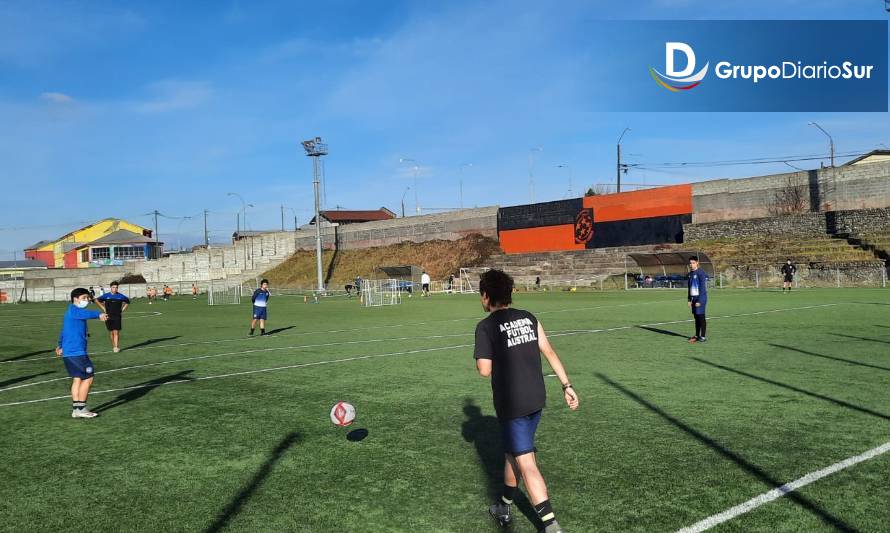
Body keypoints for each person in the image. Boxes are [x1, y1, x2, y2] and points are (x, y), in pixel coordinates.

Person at [473, 269, 578, 533]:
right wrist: (567, 385)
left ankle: (551, 525)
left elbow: (484, 370)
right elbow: (549, 351)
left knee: (527, 462)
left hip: (513, 403)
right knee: (514, 455)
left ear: (486, 296)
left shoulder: (485, 327)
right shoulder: (528, 317)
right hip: (536, 399)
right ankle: (504, 505)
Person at [57, 287, 108, 418]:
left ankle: (76, 409)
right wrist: (99, 314)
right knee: (88, 377)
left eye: (87, 298)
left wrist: (60, 345)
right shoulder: (75, 310)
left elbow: (64, 330)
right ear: (75, 299)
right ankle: (81, 408)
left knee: (77, 379)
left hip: (70, 352)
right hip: (76, 352)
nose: (86, 300)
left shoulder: (70, 312)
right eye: (84, 298)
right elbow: (85, 314)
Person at [95, 281, 130, 353]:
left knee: (116, 332)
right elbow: (97, 300)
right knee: (111, 332)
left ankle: (116, 347)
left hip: (117, 316)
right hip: (108, 316)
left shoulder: (121, 296)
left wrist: (122, 309)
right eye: (113, 287)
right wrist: (103, 308)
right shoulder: (106, 296)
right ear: (110, 288)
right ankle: (113, 346)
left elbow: (127, 302)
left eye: (116, 287)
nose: (115, 289)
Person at [687, 256, 709, 343]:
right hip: (693, 298)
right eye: (690, 263)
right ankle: (697, 335)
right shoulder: (690, 274)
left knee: (701, 317)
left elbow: (703, 288)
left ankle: (703, 336)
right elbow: (689, 288)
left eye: (693, 263)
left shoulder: (701, 273)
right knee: (696, 317)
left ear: (697, 263)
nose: (691, 265)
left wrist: (700, 300)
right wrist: (689, 299)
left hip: (701, 298)